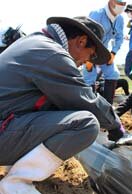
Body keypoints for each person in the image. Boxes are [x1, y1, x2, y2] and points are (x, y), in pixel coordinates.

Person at [0, 16, 125, 194]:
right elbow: (85, 100)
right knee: (85, 123)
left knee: (57, 110)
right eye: (91, 55)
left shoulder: (36, 42)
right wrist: (114, 123)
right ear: (81, 41)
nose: (86, 62)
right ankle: (15, 184)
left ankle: (14, 168)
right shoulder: (51, 53)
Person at [82, 0, 126, 104]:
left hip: (104, 51)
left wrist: (113, 53)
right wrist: (88, 58)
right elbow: (88, 35)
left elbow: (119, 37)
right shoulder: (97, 14)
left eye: (124, 4)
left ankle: (107, 106)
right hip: (89, 50)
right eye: (120, 4)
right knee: (89, 77)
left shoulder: (119, 19)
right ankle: (90, 106)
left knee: (113, 73)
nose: (122, 7)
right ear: (111, 2)